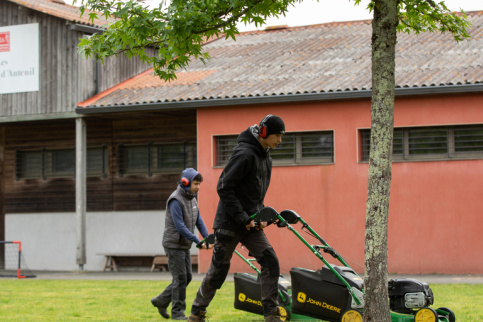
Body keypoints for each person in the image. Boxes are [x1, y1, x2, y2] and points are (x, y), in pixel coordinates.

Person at [188, 115, 286, 322]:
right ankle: (197, 312)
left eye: (281, 136)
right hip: (229, 224)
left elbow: (255, 195)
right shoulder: (244, 154)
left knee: (271, 261)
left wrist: (261, 215)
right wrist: (243, 218)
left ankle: (272, 315)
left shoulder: (266, 158)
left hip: (250, 224)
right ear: (264, 133)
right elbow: (224, 187)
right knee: (219, 271)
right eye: (277, 135)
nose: (280, 140)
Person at [151, 168, 212, 320]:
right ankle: (177, 313)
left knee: (187, 277)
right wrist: (198, 241)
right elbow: (180, 227)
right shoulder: (175, 200)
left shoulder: (192, 198)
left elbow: (198, 220)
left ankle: (161, 301)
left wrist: (208, 238)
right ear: (186, 182)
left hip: (183, 245)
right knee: (180, 279)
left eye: (199, 184)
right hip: (173, 245)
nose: (198, 187)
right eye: (196, 184)